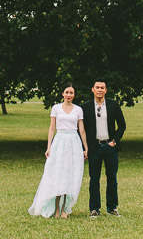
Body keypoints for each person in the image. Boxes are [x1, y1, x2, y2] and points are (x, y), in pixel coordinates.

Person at [29, 83, 88, 218]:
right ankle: (56, 209)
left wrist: (86, 148)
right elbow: (51, 128)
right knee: (58, 174)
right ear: (62, 94)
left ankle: (64, 209)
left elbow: (82, 130)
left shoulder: (78, 109)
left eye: (71, 93)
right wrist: (49, 147)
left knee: (69, 174)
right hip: (60, 141)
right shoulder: (56, 108)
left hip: (73, 142)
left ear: (74, 95)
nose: (69, 95)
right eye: (66, 92)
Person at [81, 79, 126, 217]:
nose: (99, 90)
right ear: (92, 89)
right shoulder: (86, 107)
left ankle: (112, 207)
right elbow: (81, 129)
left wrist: (115, 141)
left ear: (106, 90)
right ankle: (94, 209)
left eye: (102, 88)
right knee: (94, 179)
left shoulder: (113, 105)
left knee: (112, 178)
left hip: (109, 146)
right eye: (97, 87)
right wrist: (85, 147)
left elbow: (122, 125)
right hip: (94, 147)